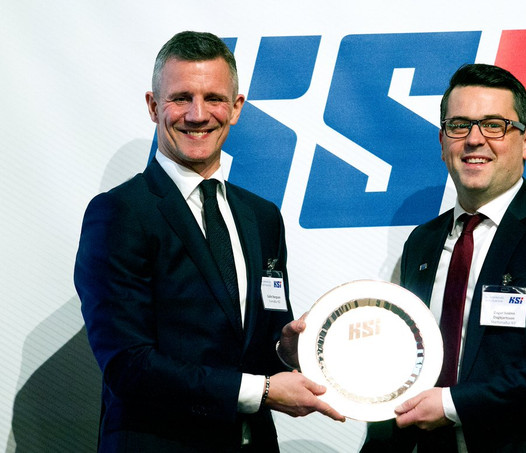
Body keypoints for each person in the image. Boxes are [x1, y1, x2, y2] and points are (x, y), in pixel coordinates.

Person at [74, 31, 344, 452]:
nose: (198, 115)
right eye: (181, 98)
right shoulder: (119, 213)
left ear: (236, 108)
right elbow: (128, 366)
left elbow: (258, 345)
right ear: (153, 106)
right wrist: (261, 392)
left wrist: (288, 349)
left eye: (214, 98)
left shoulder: (262, 217)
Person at [362, 64, 526, 452]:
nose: (474, 139)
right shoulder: (423, 242)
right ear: (442, 141)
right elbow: (409, 351)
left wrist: (452, 405)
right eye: (459, 125)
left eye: (494, 125)